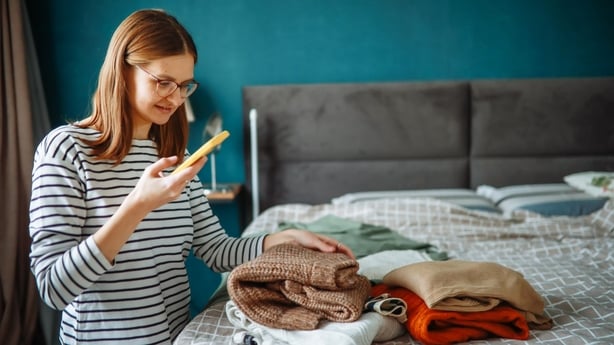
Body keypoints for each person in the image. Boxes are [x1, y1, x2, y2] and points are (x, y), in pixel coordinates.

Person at [28, 9, 354, 345]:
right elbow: (53, 288)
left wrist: (281, 239)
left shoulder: (178, 159)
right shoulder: (65, 149)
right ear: (123, 72)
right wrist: (137, 206)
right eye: (163, 82)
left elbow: (215, 249)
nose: (176, 98)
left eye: (184, 86)